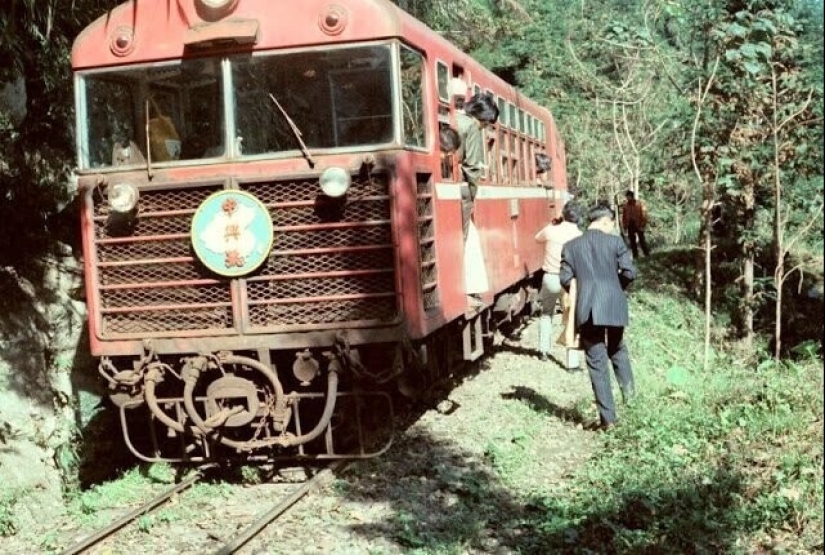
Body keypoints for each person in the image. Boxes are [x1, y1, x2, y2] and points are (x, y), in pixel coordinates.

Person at [559, 201, 637, 430]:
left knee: (596, 363)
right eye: (612, 224)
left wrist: (581, 289)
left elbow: (564, 278)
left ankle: (608, 419)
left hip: (588, 309)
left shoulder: (571, 246)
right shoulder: (615, 242)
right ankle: (631, 401)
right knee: (618, 350)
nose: (613, 228)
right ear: (605, 221)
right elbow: (630, 273)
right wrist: (615, 286)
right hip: (614, 304)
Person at [535, 201, 583, 365]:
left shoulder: (550, 231)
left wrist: (553, 223)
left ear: (563, 214)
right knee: (572, 318)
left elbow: (537, 238)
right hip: (570, 280)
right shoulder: (579, 235)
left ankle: (543, 350)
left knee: (546, 314)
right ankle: (572, 362)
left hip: (550, 277)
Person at [621, 189, 650, 258]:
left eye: (629, 196)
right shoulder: (626, 206)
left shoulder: (639, 204)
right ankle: (635, 256)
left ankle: (647, 255)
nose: (628, 198)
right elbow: (624, 216)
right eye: (627, 197)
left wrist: (643, 224)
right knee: (632, 241)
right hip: (630, 225)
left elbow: (644, 214)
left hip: (639, 224)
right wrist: (624, 226)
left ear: (632, 196)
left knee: (642, 240)